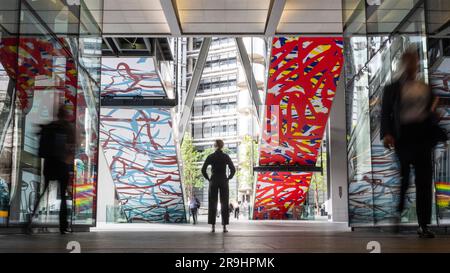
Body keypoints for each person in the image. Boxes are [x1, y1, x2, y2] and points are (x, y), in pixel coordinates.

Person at [381, 48, 442, 238]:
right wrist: (387, 134)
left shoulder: (424, 87)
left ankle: (423, 225)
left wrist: (434, 115)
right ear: (402, 65)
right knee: (405, 178)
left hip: (423, 136)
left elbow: (432, 111)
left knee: (424, 181)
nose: (412, 66)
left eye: (414, 62)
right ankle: (398, 214)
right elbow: (385, 114)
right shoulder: (392, 88)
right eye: (408, 62)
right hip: (404, 137)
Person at [30, 106, 74, 234]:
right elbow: (72, 147)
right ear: (65, 115)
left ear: (57, 114)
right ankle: (63, 227)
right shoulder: (67, 128)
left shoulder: (50, 126)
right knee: (64, 196)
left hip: (49, 164)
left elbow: (38, 134)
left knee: (42, 193)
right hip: (62, 164)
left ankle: (31, 221)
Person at [201, 139, 236, 233]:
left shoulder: (211, 156)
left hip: (214, 180)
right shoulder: (226, 156)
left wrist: (208, 178)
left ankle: (213, 226)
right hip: (223, 180)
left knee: (213, 203)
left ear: (215, 146)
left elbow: (203, 169)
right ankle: (224, 227)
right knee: (224, 203)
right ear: (222, 146)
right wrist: (229, 178)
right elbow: (233, 169)